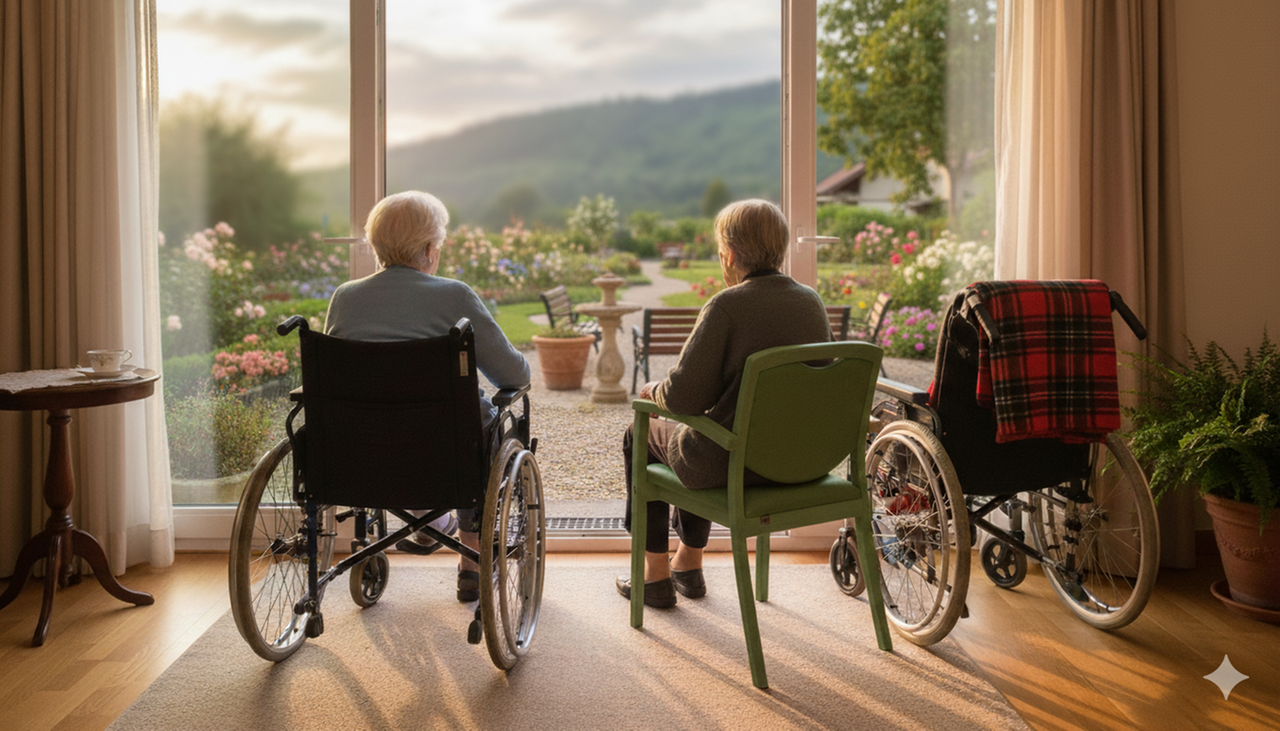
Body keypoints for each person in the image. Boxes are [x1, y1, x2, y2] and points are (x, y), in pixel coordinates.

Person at [618, 198, 835, 608]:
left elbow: (683, 398)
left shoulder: (727, 306)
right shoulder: (811, 301)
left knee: (640, 433)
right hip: (800, 462)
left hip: (740, 466)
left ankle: (654, 575)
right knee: (704, 428)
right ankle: (688, 562)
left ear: (731, 254)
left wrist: (653, 390)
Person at [324, 190, 531, 602]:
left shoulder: (345, 297)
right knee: (482, 424)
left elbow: (332, 381)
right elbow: (514, 375)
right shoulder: (454, 296)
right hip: (445, 450)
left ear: (376, 246)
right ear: (431, 250)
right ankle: (471, 555)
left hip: (361, 451)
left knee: (407, 421)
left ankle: (425, 522)